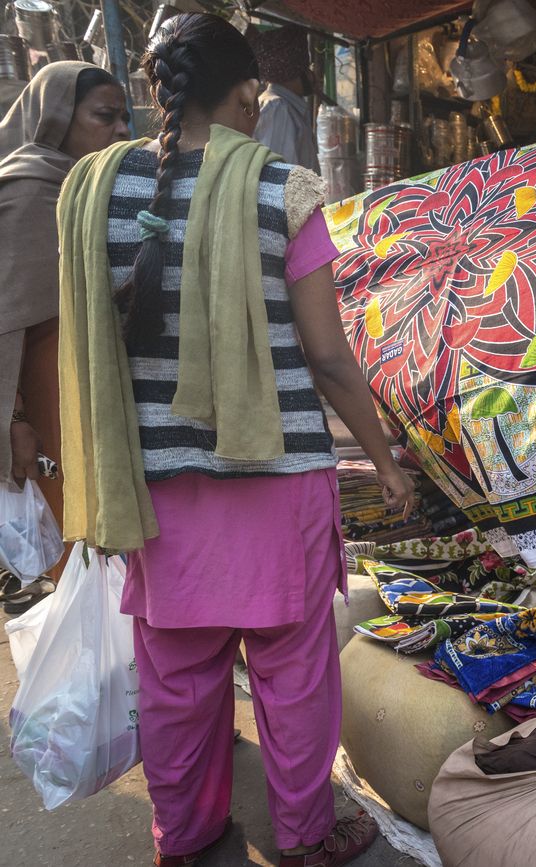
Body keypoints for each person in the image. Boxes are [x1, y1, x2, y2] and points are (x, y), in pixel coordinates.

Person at [56, 13, 414, 866]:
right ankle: (302, 836)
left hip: (155, 485)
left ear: (159, 91)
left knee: (177, 681)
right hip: (276, 480)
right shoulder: (283, 191)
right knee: (293, 677)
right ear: (251, 94)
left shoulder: (94, 191)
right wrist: (389, 462)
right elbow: (328, 358)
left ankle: (182, 836)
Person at [0, 61, 129, 608]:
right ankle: (76, 677)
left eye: (125, 117)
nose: (121, 130)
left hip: (93, 390)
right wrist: (16, 419)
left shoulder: (94, 189)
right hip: (43, 397)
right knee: (68, 548)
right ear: (55, 120)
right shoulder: (29, 194)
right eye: (105, 116)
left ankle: (109, 675)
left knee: (103, 546)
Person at [251, 23, 320, 171]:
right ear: (293, 72)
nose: (312, 74)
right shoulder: (278, 109)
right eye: (306, 68)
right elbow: (279, 176)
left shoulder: (283, 106)